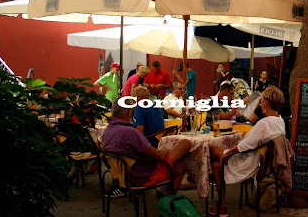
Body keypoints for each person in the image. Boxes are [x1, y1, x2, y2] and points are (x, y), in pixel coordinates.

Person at [209, 86, 286, 216]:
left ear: (266, 103)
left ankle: (220, 204)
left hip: (248, 163)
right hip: (261, 162)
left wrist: (228, 152)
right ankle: (210, 180)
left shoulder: (264, 123)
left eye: (261, 101)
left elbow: (244, 146)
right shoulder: (280, 121)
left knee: (213, 153)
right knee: (216, 155)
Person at [101, 99, 191, 195]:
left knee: (180, 166)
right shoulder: (130, 132)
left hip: (123, 176)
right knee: (185, 143)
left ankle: (167, 198)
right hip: (144, 176)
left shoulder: (106, 131)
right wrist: (165, 151)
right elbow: (158, 156)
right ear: (128, 112)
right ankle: (169, 198)